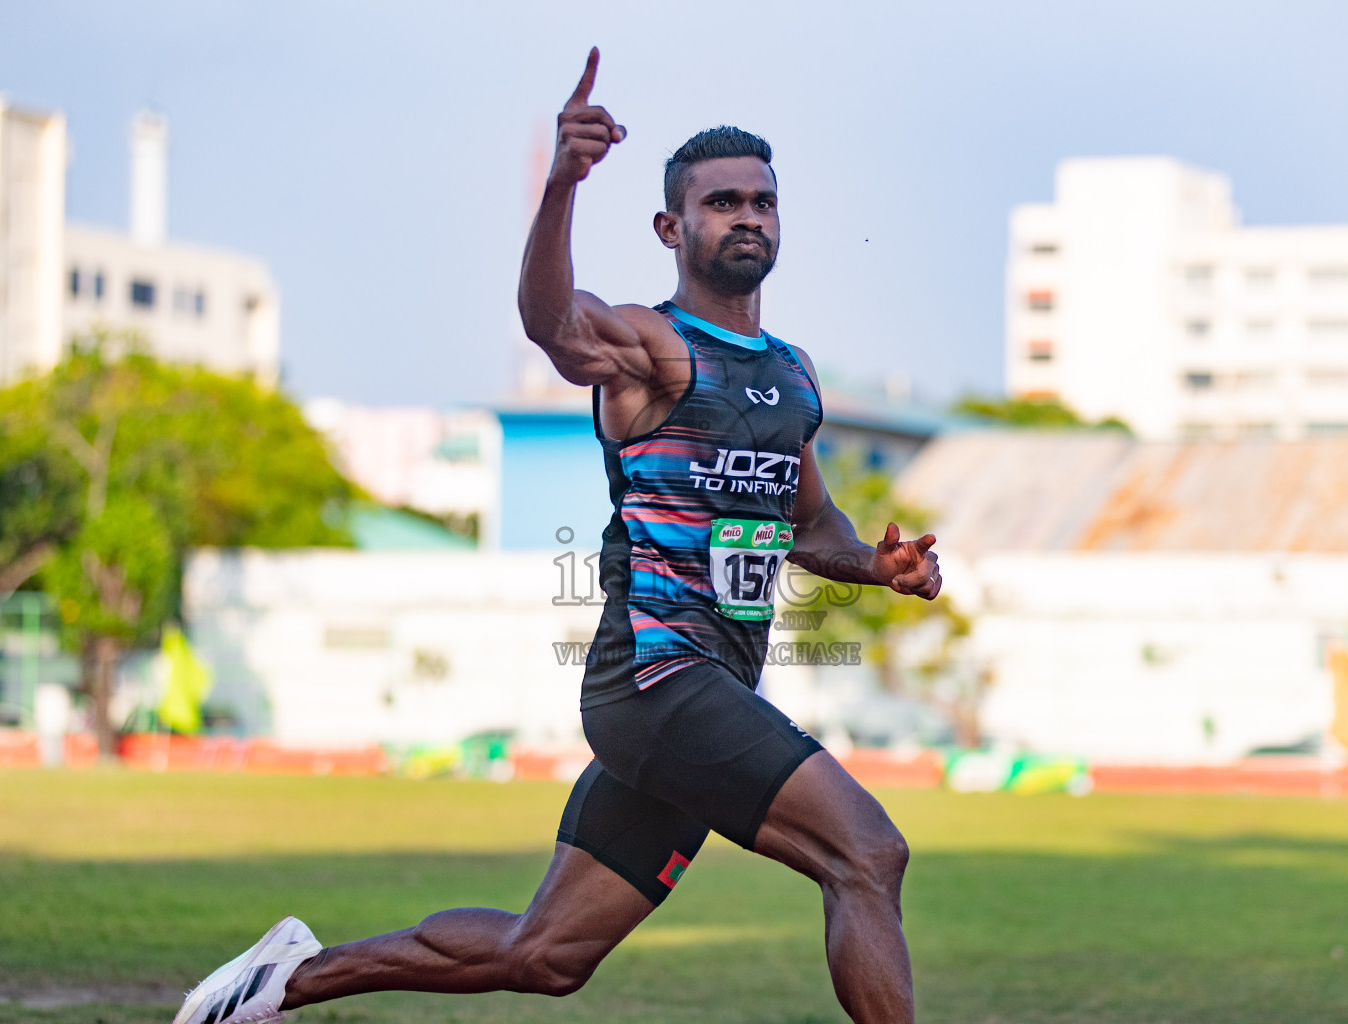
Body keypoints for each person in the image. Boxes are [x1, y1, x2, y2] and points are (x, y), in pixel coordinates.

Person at [173, 47, 943, 1024]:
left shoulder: (793, 374)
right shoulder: (653, 348)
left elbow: (807, 520)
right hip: (658, 680)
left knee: (545, 952)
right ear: (671, 226)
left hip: (700, 695)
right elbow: (551, 322)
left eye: (761, 201)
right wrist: (562, 185)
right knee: (867, 851)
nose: (747, 216)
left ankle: (281, 982)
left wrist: (877, 565)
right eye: (721, 203)